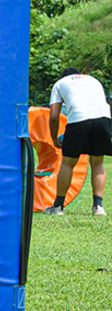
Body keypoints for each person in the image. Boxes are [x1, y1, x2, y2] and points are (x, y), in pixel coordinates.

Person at [44, 67, 112, 216]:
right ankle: (98, 207)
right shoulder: (93, 80)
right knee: (98, 162)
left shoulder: (60, 84)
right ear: (79, 74)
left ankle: (58, 206)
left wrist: (55, 138)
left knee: (68, 162)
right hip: (104, 118)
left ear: (64, 76)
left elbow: (54, 116)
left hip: (78, 119)